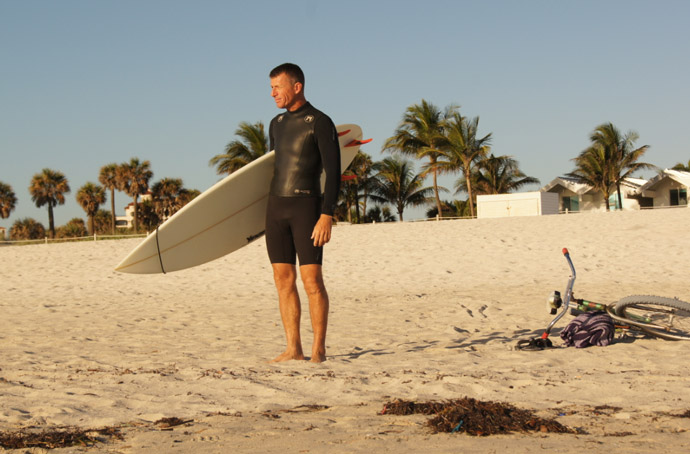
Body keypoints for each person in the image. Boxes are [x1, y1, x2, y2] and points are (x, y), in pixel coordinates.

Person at [266, 63, 341, 363]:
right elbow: (269, 168)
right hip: (275, 207)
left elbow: (333, 174)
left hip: (307, 208)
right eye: (271, 88)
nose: (273, 93)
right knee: (283, 279)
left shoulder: (320, 122)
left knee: (312, 281)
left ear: (297, 87)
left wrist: (327, 215)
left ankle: (318, 350)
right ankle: (293, 348)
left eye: (278, 87)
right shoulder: (276, 123)